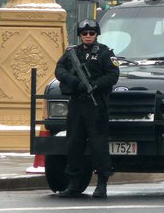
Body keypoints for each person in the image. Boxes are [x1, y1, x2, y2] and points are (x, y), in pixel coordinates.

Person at [55, 19, 119, 198]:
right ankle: (74, 183)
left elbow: (113, 75)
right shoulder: (72, 53)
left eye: (91, 33)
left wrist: (94, 85)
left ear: (96, 34)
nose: (88, 36)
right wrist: (73, 80)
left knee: (99, 145)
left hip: (96, 104)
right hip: (77, 103)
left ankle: (101, 184)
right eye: (85, 33)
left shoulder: (105, 53)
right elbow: (59, 69)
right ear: (80, 35)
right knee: (74, 143)